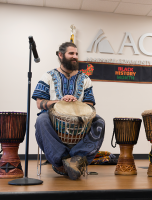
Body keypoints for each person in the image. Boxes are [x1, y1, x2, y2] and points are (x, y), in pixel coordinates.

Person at [32, 42, 105, 180]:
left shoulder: (85, 79)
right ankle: (61, 160)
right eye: (71, 53)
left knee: (99, 121)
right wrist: (59, 102)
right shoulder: (48, 76)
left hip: (80, 120)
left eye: (76, 54)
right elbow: (39, 103)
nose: (75, 56)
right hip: (53, 120)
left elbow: (90, 104)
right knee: (41, 119)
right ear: (61, 55)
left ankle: (77, 159)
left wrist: (75, 103)